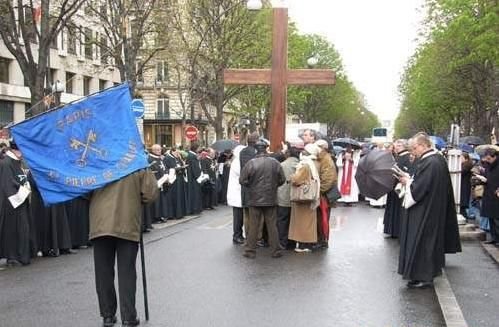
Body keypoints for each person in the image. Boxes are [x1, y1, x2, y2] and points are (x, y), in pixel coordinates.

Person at [89, 169, 158, 327]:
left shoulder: (97, 159)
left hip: (99, 222)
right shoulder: (137, 160)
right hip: (127, 221)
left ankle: (107, 315)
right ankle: (128, 317)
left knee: (103, 272)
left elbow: (84, 191)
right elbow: (150, 193)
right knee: (127, 271)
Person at [397, 133, 461, 289]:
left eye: (414, 148)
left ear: (423, 145)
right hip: (433, 208)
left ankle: (424, 276)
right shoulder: (436, 159)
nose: (413, 152)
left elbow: (420, 188)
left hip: (425, 210)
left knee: (423, 243)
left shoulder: (430, 162)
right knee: (427, 243)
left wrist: (407, 181)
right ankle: (421, 275)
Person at [239, 141, 285, 259]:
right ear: (266, 149)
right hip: (270, 198)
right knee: (272, 225)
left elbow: (242, 180)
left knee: (254, 225)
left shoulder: (251, 163)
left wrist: (252, 186)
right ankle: (276, 250)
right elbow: (282, 179)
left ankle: (250, 250)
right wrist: (273, 186)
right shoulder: (275, 163)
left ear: (256, 150)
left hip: (254, 199)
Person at [0, 141, 32, 266]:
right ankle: (13, 256)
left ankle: (21, 255)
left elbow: (22, 178)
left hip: (20, 202)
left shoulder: (16, 162)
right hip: (12, 204)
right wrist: (24, 190)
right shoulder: (7, 163)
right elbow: (8, 184)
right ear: (15, 150)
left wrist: (26, 185)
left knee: (22, 229)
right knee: (13, 230)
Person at [288, 143, 321, 253]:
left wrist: (291, 177)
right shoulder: (315, 163)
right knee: (309, 221)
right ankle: (308, 243)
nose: (302, 152)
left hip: (303, 197)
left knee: (303, 222)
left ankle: (303, 244)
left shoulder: (306, 165)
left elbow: (296, 179)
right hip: (311, 196)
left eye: (304, 150)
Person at [383, 139, 413, 238]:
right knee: (394, 208)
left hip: (400, 186)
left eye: (398, 145)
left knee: (398, 209)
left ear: (404, 146)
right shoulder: (398, 156)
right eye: (396, 146)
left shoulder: (407, 156)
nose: (396, 147)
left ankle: (397, 230)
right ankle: (392, 229)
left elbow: (408, 170)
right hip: (393, 185)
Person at [276, 143, 301, 249]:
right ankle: (292, 242)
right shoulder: (301, 165)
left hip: (283, 197)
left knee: (282, 221)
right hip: (297, 198)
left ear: (288, 154)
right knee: (294, 221)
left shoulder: (282, 165)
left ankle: (283, 242)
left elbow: (278, 180)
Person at [315, 139, 337, 248]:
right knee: (321, 218)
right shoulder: (323, 158)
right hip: (324, 193)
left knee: (323, 218)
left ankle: (322, 241)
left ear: (322, 148)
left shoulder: (326, 160)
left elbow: (328, 180)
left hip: (325, 195)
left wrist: (319, 191)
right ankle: (321, 240)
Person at [477, 148, 499, 245]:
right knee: (491, 218)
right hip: (489, 192)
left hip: (496, 193)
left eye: (489, 158)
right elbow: (487, 176)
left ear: (495, 157)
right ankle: (494, 237)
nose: (487, 160)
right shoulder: (488, 166)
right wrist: (482, 179)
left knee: (496, 218)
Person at [227, 145, 246, 244]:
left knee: (240, 216)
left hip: (238, 193)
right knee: (238, 217)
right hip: (236, 194)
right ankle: (237, 235)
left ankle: (239, 234)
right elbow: (242, 173)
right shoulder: (237, 162)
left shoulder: (238, 161)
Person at [185, 142, 203, 215]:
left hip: (191, 177)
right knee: (194, 193)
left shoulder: (191, 155)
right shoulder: (192, 156)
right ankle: (194, 209)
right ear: (196, 148)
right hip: (193, 178)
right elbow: (195, 169)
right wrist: (199, 176)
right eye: (199, 147)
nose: (200, 149)